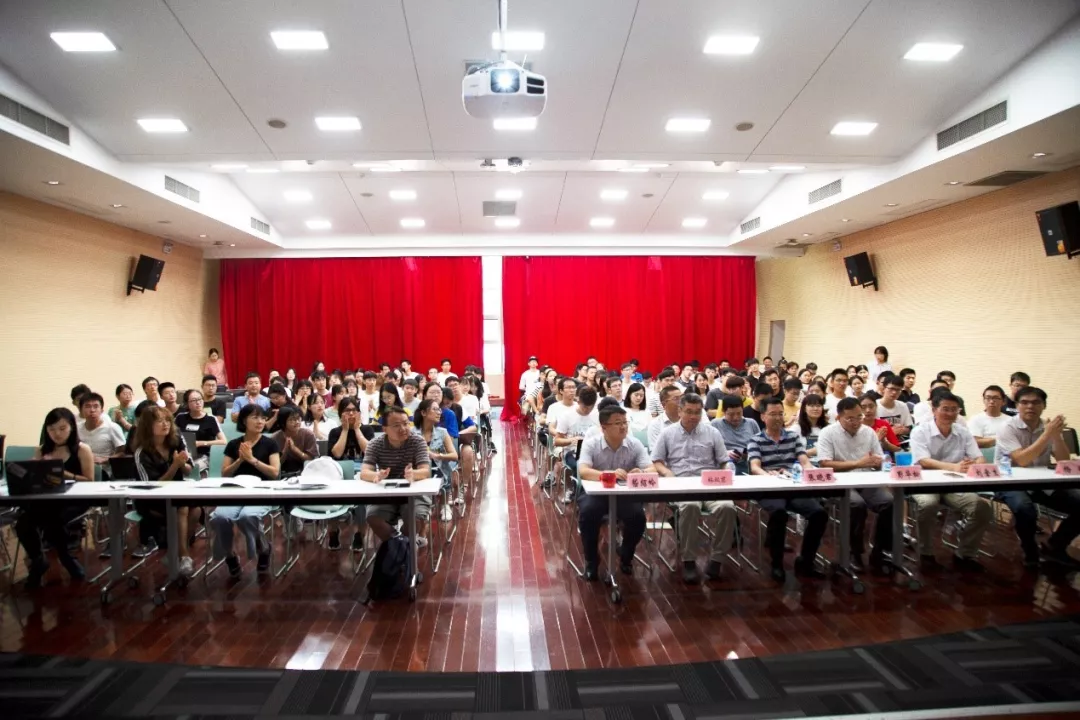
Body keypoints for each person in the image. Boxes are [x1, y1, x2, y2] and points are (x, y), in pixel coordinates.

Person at [651, 393, 736, 584]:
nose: (693, 416)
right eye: (689, 411)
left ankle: (717, 559)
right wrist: (667, 473)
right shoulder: (668, 433)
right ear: (679, 411)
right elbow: (656, 461)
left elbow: (723, 461)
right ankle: (689, 560)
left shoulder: (712, 432)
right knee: (690, 506)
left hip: (710, 484)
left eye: (697, 412)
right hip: (681, 484)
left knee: (728, 507)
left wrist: (727, 470)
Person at [994, 386, 1080, 568]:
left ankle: (1055, 546)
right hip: (1009, 481)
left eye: (1035, 402)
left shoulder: (1047, 427)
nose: (1030, 407)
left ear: (1044, 405)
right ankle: (1030, 552)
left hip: (1041, 482)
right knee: (1025, 509)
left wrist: (1057, 437)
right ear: (1016, 405)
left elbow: (1064, 460)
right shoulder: (1006, 428)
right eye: (1024, 402)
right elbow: (1022, 460)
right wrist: (1047, 434)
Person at [909, 391, 992, 573]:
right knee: (928, 505)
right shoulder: (920, 431)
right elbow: (923, 460)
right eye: (945, 409)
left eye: (954, 409)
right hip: (925, 482)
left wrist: (977, 464)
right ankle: (926, 553)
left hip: (954, 484)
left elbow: (978, 457)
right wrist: (953, 467)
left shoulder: (963, 432)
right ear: (934, 410)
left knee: (982, 508)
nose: (950, 413)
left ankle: (965, 554)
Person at [748, 398, 827, 583]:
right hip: (768, 488)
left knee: (819, 514)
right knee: (779, 513)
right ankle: (777, 564)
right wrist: (769, 476)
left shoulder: (792, 437)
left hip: (792, 485)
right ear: (763, 417)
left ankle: (806, 560)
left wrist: (809, 472)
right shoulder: (755, 440)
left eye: (780, 414)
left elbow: (804, 461)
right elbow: (754, 467)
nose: (778, 418)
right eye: (773, 414)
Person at [16, 408, 94, 587]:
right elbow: (34, 480)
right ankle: (38, 560)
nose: (57, 434)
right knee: (23, 523)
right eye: (51, 429)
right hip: (48, 500)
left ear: (72, 427)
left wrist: (64, 474)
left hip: (75, 500)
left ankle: (66, 558)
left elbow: (90, 480)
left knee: (53, 520)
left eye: (62, 428)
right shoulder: (42, 450)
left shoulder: (82, 449)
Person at [816, 397, 893, 574]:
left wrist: (879, 462)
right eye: (850, 418)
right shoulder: (827, 433)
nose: (856, 422)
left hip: (866, 479)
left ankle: (880, 551)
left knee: (889, 502)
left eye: (859, 417)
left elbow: (880, 458)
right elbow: (825, 464)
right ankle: (853, 553)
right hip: (839, 482)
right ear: (839, 418)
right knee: (856, 505)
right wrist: (858, 463)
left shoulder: (869, 432)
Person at [576, 405, 653, 580]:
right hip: (596, 493)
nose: (623, 426)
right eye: (618, 423)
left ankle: (626, 555)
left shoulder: (634, 444)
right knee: (588, 514)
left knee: (638, 517)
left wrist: (641, 472)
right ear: (604, 427)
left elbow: (651, 468)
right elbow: (584, 471)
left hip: (624, 494)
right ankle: (591, 561)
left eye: (625, 422)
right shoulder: (591, 444)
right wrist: (607, 475)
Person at [212, 404, 281, 577]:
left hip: (262, 490)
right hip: (236, 491)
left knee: (247, 516)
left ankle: (263, 548)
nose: (260, 422)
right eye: (255, 417)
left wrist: (252, 460)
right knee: (220, 517)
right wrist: (240, 460)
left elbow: (274, 473)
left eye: (263, 418)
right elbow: (225, 473)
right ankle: (230, 555)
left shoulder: (271, 443)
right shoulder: (234, 444)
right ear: (244, 421)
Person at [360, 406, 432, 547]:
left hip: (413, 491)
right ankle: (400, 545)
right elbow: (364, 473)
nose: (403, 428)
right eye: (397, 425)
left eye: (406, 423)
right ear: (385, 429)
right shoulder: (375, 444)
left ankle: (401, 548)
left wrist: (413, 474)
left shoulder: (418, 441)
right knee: (372, 517)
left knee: (415, 517)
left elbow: (425, 471)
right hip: (386, 492)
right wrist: (377, 475)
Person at [132, 406, 194, 569]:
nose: (165, 424)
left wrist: (182, 464)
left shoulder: (177, 441)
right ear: (148, 426)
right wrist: (174, 466)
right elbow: (152, 486)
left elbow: (189, 470)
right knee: (182, 506)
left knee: (196, 510)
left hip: (178, 492)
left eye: (167, 420)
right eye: (159, 421)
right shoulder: (142, 453)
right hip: (151, 498)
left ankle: (174, 553)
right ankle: (183, 555)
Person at [415, 398, 460, 516]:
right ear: (423, 412)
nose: (439, 412)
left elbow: (454, 455)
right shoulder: (412, 433)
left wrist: (437, 455)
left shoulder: (442, 432)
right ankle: (424, 505)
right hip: (419, 471)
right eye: (435, 409)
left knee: (442, 471)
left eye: (439, 409)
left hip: (439, 470)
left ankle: (444, 505)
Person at [175, 388, 226, 476]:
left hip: (203, 455)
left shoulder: (211, 419)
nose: (198, 402)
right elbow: (172, 435)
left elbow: (223, 441)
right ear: (187, 403)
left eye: (200, 399)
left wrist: (202, 443)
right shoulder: (180, 417)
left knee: (195, 466)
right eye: (194, 400)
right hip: (183, 453)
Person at [555, 386, 600, 483]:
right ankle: (577, 489)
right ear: (578, 402)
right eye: (584, 407)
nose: (587, 410)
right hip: (572, 451)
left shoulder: (598, 415)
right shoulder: (567, 416)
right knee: (579, 466)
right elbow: (557, 441)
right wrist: (571, 440)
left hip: (593, 451)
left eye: (590, 407)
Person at [711, 395, 760, 475]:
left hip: (749, 463)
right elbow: (709, 449)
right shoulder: (715, 424)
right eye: (731, 414)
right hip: (725, 464)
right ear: (724, 411)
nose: (735, 418)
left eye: (739, 413)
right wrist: (724, 453)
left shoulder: (751, 423)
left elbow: (760, 445)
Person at [77, 392, 126, 466]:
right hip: (83, 468)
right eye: (87, 406)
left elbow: (122, 453)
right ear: (81, 410)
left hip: (105, 469)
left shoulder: (112, 427)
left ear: (102, 410)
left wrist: (104, 460)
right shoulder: (77, 429)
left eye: (96, 406)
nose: (92, 410)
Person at [328, 396, 369, 461]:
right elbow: (337, 454)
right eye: (347, 410)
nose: (351, 413)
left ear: (359, 413)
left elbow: (369, 451)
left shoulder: (367, 429)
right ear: (340, 413)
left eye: (354, 410)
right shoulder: (334, 432)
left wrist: (357, 429)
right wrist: (345, 430)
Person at [647, 385, 682, 449]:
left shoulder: (689, 420)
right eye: (676, 399)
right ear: (664, 404)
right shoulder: (655, 425)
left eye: (682, 397)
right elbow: (656, 452)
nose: (681, 401)